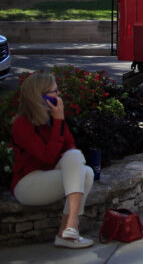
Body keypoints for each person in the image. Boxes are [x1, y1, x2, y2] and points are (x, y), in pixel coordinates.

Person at [10, 71, 95, 248]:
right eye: (54, 92)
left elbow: (70, 146)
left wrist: (58, 121)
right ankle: (70, 227)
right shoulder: (21, 124)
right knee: (82, 170)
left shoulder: (53, 118)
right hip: (28, 185)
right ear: (39, 97)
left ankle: (68, 228)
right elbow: (47, 157)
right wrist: (59, 121)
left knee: (84, 169)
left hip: (49, 175)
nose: (58, 95)